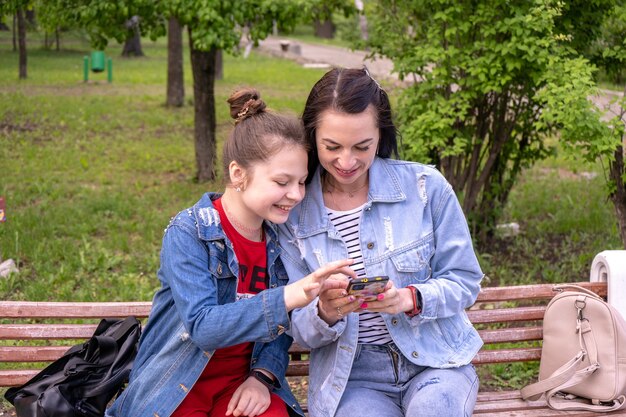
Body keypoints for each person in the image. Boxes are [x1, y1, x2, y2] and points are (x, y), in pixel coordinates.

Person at [106, 87, 355, 417]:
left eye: (301, 182)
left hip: (240, 386)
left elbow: (281, 330)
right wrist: (289, 296)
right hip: (176, 386)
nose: (295, 194)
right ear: (238, 174)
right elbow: (203, 327)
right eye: (282, 182)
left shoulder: (279, 240)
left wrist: (262, 378)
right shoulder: (189, 231)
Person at [277, 68, 484, 417]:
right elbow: (295, 323)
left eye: (362, 146)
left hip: (436, 363)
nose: (346, 161)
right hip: (353, 378)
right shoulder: (294, 214)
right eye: (332, 146)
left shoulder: (425, 188)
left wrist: (409, 298)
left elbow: (465, 280)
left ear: (380, 135)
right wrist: (326, 312)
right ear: (312, 138)